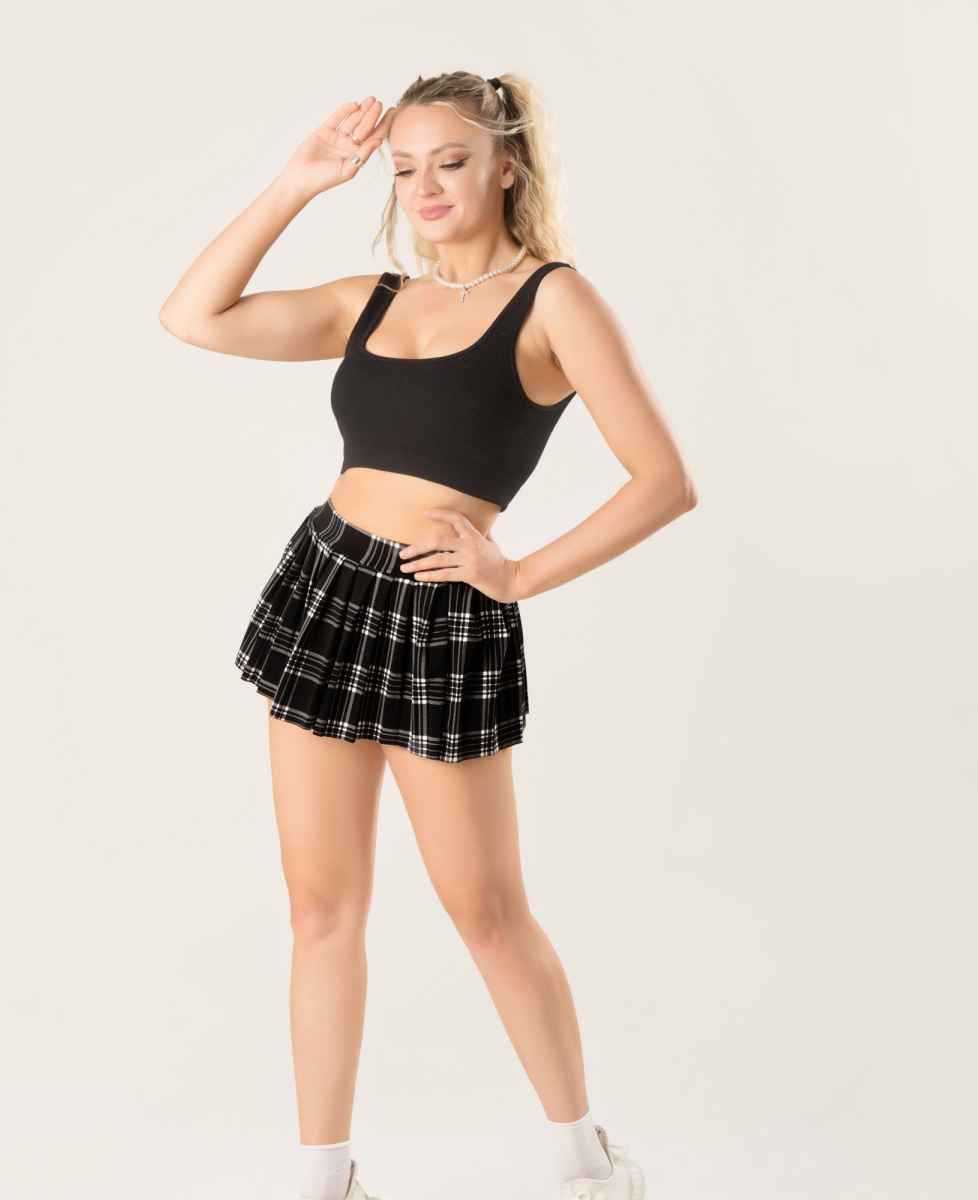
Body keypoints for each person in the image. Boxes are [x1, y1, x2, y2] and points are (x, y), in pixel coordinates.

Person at [160, 70, 697, 1200]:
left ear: (506, 165)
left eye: (450, 161)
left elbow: (664, 481)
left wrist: (519, 575)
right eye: (405, 168)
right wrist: (298, 182)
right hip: (327, 592)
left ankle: (588, 1167)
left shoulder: (555, 301)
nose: (425, 186)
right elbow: (192, 316)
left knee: (485, 912)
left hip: (442, 615)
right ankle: (325, 1180)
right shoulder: (373, 299)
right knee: (319, 909)